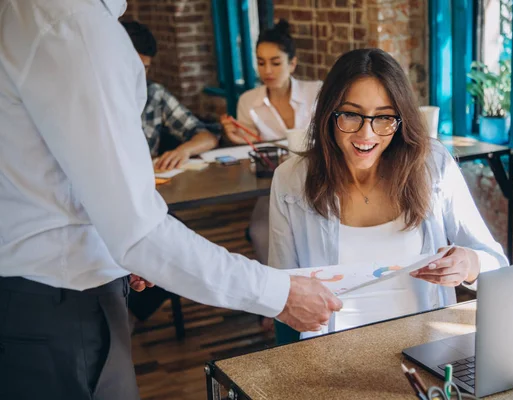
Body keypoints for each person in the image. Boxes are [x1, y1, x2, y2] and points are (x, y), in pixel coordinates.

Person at [0, 1, 341, 399]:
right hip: (58, 310)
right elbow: (139, 233)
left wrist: (117, 251)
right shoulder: (74, 24)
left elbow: (56, 184)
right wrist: (279, 294)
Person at [269, 48, 508, 340]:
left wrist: (469, 264)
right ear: (328, 114)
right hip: (329, 355)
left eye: (383, 118)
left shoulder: (432, 164)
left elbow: (496, 263)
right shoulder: (290, 181)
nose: (366, 134)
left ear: (401, 120)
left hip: (426, 349)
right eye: (351, 115)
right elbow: (278, 293)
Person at [220, 19, 322, 265]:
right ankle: (278, 294)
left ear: (292, 64)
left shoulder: (315, 91)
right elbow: (249, 151)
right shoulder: (248, 101)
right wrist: (235, 140)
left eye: (276, 63)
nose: (267, 71)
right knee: (261, 232)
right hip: (274, 187)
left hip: (318, 181)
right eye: (261, 62)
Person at [121, 20, 220, 171]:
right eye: (133, 68)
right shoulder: (92, 98)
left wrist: (183, 151)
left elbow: (207, 137)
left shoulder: (155, 94)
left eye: (145, 69)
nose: (138, 77)